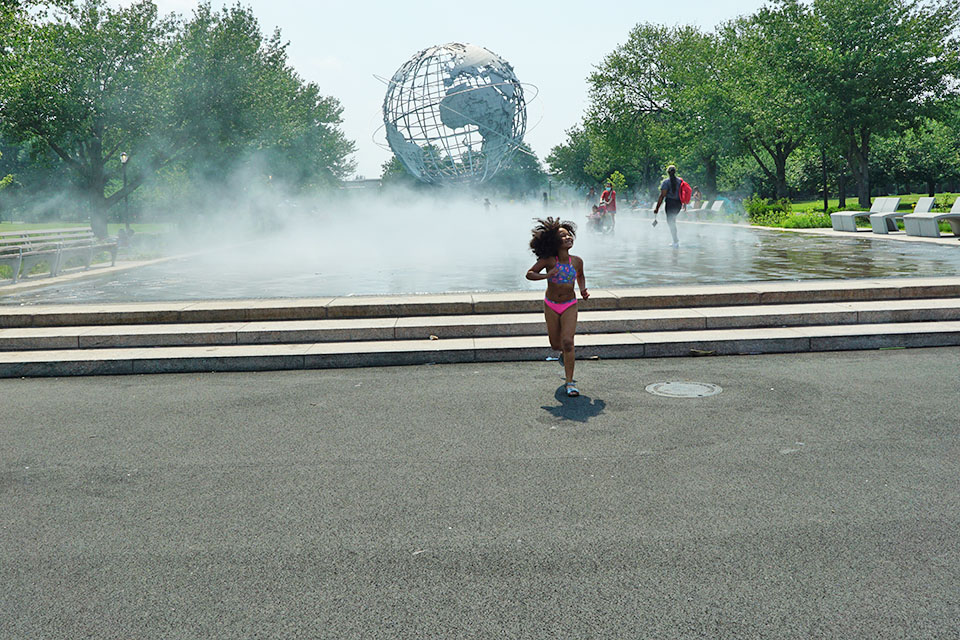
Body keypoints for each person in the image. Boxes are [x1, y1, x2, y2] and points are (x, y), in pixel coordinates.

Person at [526, 217, 589, 397]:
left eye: (569, 235)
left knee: (568, 342)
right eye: (563, 236)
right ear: (555, 241)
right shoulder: (549, 261)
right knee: (556, 345)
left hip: (570, 304)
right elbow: (530, 274)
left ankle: (570, 382)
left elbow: (580, 275)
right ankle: (563, 355)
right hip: (552, 305)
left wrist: (583, 289)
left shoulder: (577, 261)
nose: (568, 237)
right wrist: (547, 276)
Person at [653, 165, 683, 247]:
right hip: (678, 204)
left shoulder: (666, 182)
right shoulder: (680, 181)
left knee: (671, 222)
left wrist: (657, 208)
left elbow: (662, 196)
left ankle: (675, 241)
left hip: (670, 203)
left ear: (668, 172)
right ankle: (675, 240)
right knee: (673, 220)